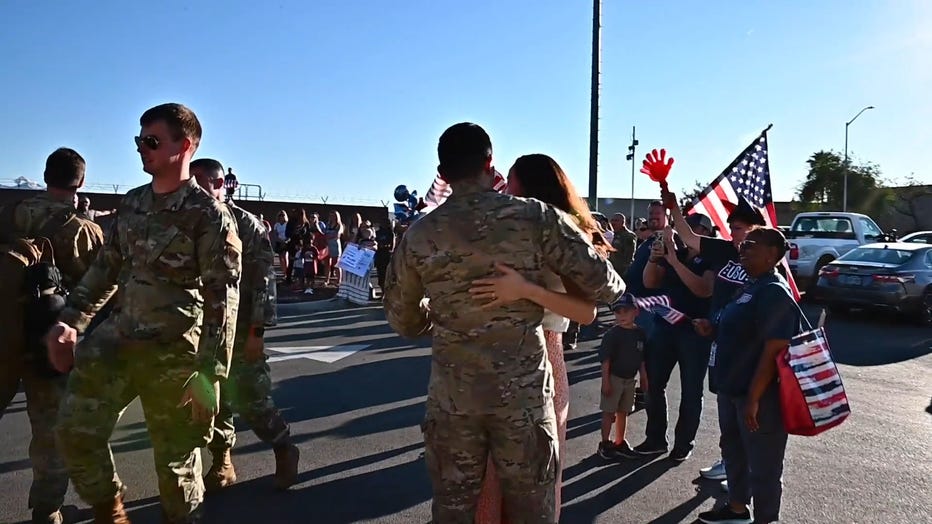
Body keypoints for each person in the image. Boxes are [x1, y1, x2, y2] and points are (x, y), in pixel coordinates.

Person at [383, 123, 625, 523]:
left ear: (442, 173)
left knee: (454, 509)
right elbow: (607, 285)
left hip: (453, 399)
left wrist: (446, 315)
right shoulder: (535, 218)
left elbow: (402, 318)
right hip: (523, 399)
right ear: (489, 163)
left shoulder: (421, 234)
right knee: (532, 509)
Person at [44, 103, 242, 524]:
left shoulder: (209, 216)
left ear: (184, 146)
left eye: (151, 141)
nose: (141, 149)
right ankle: (109, 509)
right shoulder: (133, 205)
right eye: (139, 141)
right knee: (74, 431)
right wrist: (71, 321)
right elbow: (105, 270)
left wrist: (209, 375)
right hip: (120, 339)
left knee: (175, 465)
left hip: (175, 352)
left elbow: (222, 301)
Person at [468, 153, 611, 523]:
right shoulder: (511, 228)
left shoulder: (562, 231)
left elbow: (586, 311)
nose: (507, 189)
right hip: (497, 359)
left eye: (512, 181)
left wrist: (525, 290)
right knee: (490, 475)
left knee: (534, 477)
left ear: (528, 186)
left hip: (544, 356)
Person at [0, 148, 105, 524]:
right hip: (50, 345)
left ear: (46, 175)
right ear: (79, 183)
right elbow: (102, 290)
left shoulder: (11, 213)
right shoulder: (83, 230)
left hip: (4, 338)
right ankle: (47, 510)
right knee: (50, 432)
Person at [190, 158, 300, 493]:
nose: (195, 191)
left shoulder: (244, 224)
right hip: (198, 332)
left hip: (238, 330)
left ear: (221, 184)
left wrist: (257, 333)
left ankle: (283, 447)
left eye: (203, 184)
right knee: (212, 399)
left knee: (252, 397)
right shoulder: (184, 222)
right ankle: (222, 462)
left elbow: (264, 281)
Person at [662, 190, 767, 487]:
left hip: (747, 352)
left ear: (754, 230)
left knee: (746, 410)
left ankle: (747, 472)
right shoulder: (723, 251)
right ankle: (731, 461)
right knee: (725, 405)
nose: (731, 232)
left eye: (737, 227)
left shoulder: (763, 264)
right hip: (719, 343)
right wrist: (674, 208)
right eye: (731, 227)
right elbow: (689, 236)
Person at [695, 226, 800, 524]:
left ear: (772, 255)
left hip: (759, 397)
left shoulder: (774, 292)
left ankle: (767, 519)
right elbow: (740, 331)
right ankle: (737, 508)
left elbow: (774, 349)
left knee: (764, 465)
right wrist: (711, 329)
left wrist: (754, 398)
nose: (742, 248)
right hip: (732, 390)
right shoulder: (750, 286)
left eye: (750, 245)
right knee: (734, 452)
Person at [634, 215, 715, 461]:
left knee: (691, 391)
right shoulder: (675, 254)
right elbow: (650, 282)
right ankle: (656, 439)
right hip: (664, 327)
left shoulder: (712, 258)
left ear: (704, 231)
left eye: (689, 228)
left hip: (694, 331)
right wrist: (655, 257)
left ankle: (683, 444)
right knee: (654, 385)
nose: (682, 232)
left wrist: (675, 263)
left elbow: (704, 289)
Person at [597, 295, 647, 460]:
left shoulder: (639, 333)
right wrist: (606, 381)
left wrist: (644, 378)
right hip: (614, 378)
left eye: (626, 311)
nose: (621, 315)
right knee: (608, 412)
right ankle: (605, 443)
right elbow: (606, 359)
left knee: (624, 411)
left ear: (636, 312)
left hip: (629, 379)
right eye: (618, 311)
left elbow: (642, 358)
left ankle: (620, 441)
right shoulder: (613, 334)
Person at [609, 212, 637, 277]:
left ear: (622, 222)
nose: (613, 223)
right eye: (612, 220)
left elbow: (629, 257)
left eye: (616, 220)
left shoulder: (628, 236)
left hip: (622, 271)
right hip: (614, 270)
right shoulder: (615, 234)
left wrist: (625, 271)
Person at [374, 219, 395, 292]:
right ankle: (383, 292)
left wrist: (390, 250)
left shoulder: (390, 233)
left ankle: (387, 292)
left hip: (387, 255)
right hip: (380, 255)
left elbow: (392, 245)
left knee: (388, 275)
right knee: (381, 275)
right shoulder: (377, 233)